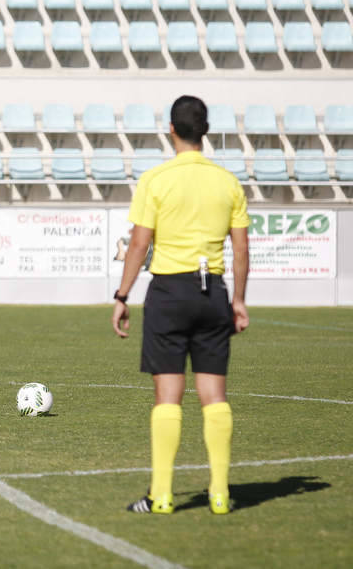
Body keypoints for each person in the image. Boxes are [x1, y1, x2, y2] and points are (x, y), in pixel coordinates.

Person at [111, 95, 250, 515]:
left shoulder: (156, 179)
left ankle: (162, 495)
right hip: (213, 294)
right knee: (214, 395)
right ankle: (220, 493)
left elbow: (139, 242)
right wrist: (239, 300)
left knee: (168, 396)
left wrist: (122, 296)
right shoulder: (227, 182)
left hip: (169, 294)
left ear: (171, 129)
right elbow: (241, 248)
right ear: (204, 131)